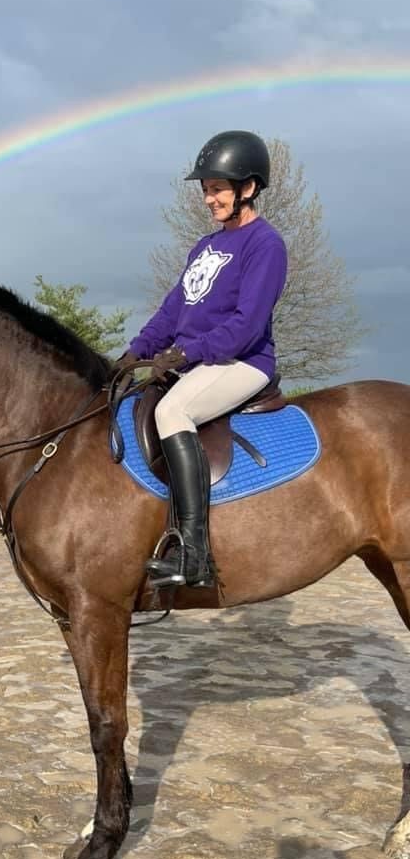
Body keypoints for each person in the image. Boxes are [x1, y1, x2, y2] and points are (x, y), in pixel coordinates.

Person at [116, 130, 287, 589]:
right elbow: (174, 309)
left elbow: (247, 324)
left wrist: (188, 352)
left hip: (243, 361)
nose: (209, 199)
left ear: (247, 188)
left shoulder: (265, 245)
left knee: (174, 410)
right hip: (200, 360)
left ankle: (194, 554)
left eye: (217, 188)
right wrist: (136, 352)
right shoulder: (205, 247)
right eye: (206, 190)